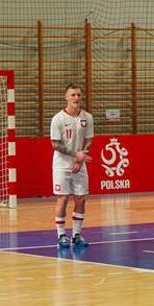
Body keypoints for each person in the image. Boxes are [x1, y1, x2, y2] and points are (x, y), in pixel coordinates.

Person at [50, 83, 94, 247]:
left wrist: (79, 160)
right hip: (61, 165)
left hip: (79, 164)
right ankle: (61, 235)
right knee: (63, 198)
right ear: (66, 97)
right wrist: (76, 155)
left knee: (81, 198)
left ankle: (76, 235)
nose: (76, 98)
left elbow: (89, 140)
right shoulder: (58, 119)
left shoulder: (87, 117)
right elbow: (55, 144)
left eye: (78, 95)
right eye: (73, 95)